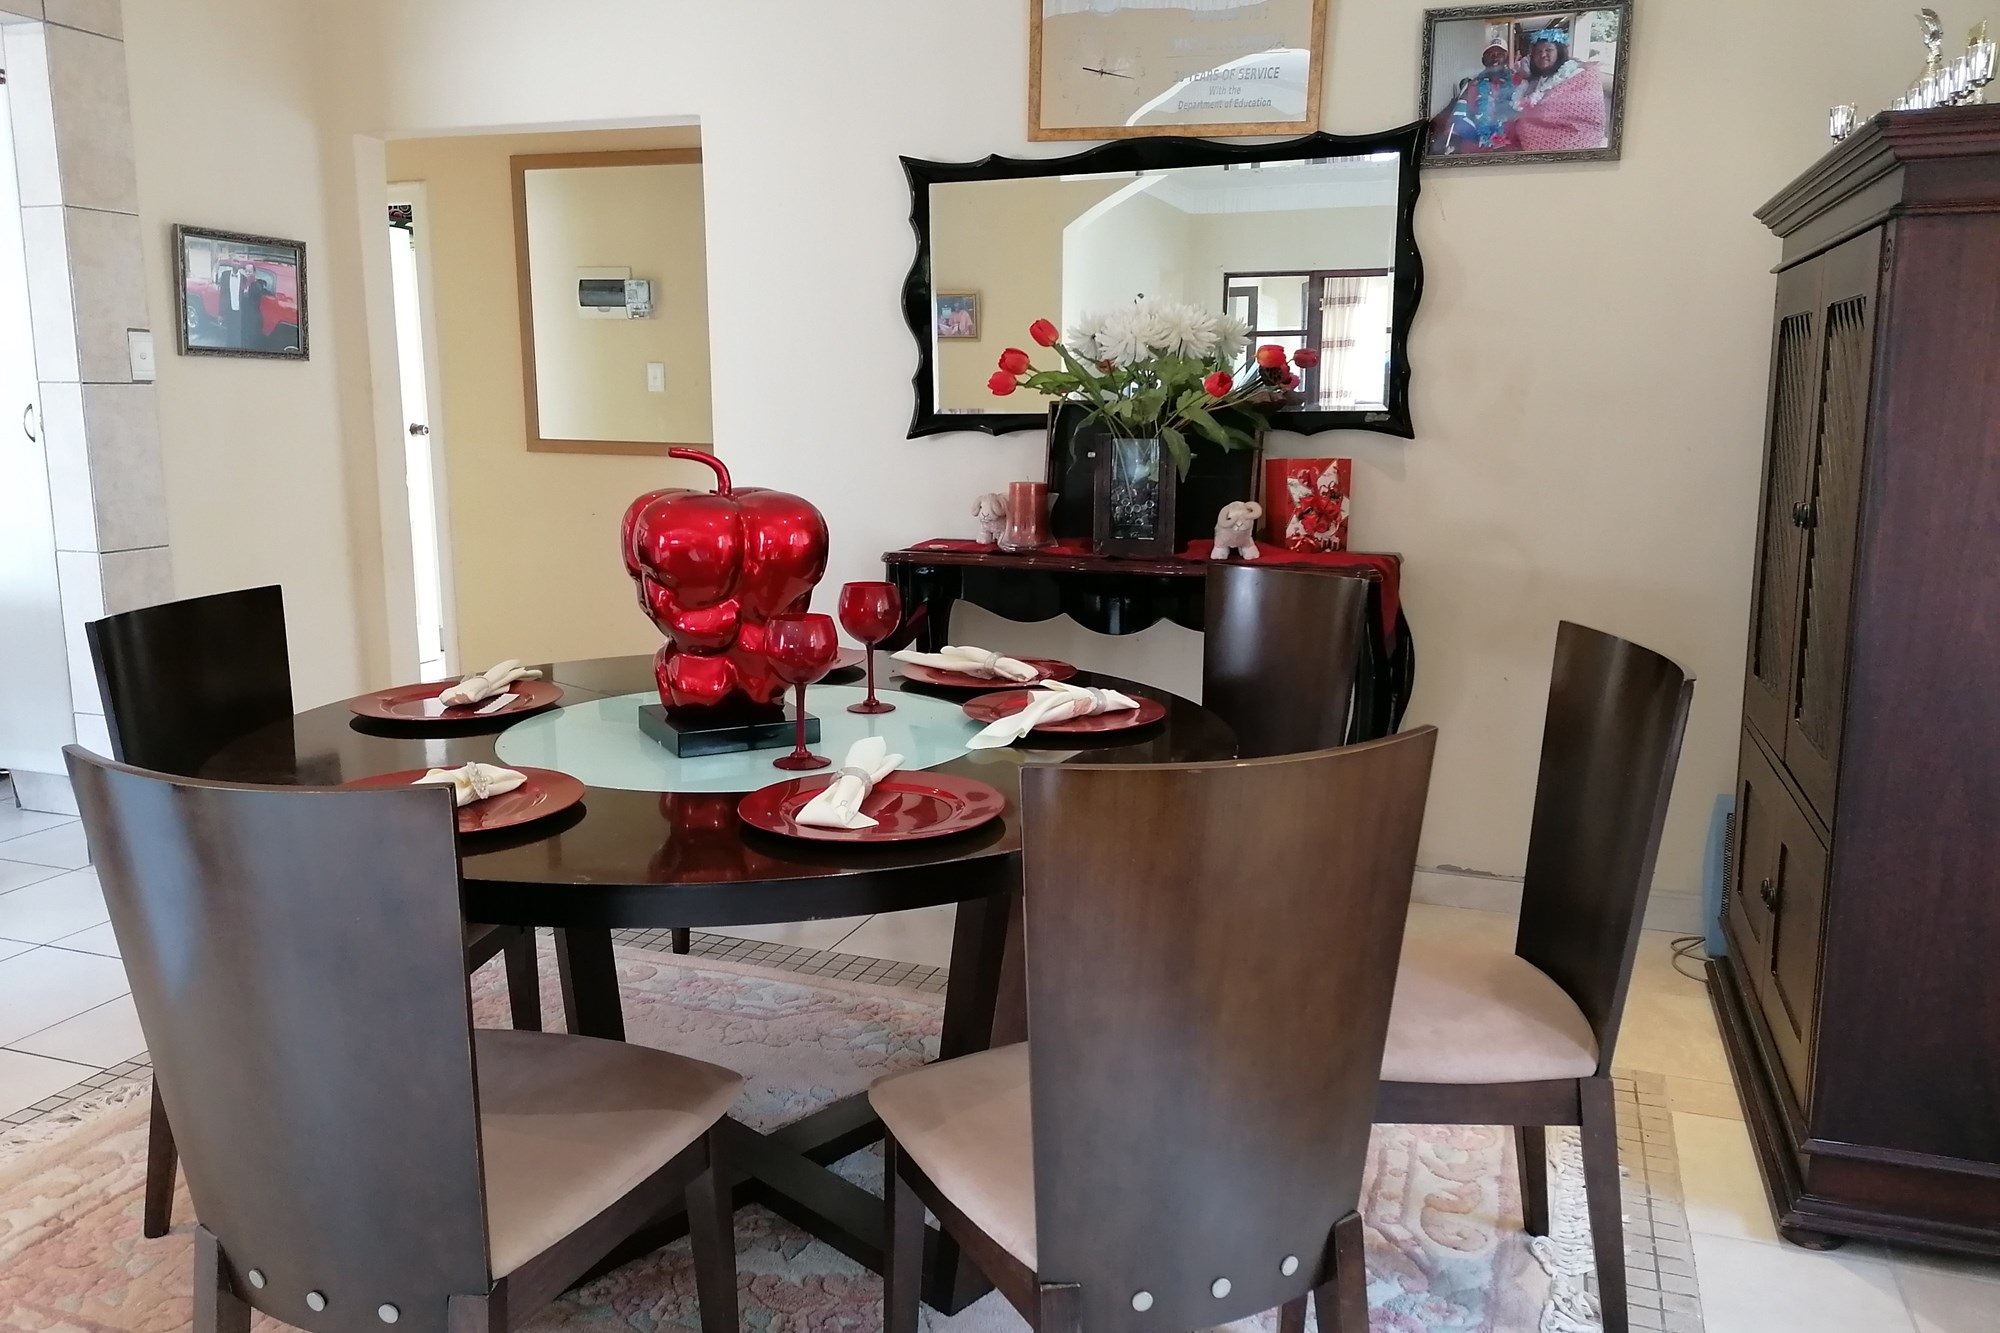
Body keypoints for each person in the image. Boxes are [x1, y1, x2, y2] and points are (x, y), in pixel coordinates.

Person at [1501, 25, 1607, 152]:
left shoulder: (1575, 74)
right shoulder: (1535, 80)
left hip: (1572, 142)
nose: (1542, 55)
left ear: (1559, 52)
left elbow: (1581, 116)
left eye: (1548, 50)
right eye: (1538, 52)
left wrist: (1528, 118)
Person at [1429, 43, 1522, 156]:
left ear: (1506, 58)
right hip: (1477, 149)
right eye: (1490, 54)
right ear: (1483, 60)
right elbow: (1459, 117)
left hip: (1510, 148)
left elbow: (1524, 113)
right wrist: (1452, 139)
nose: (1495, 57)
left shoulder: (1518, 82)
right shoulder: (1473, 85)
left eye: (1499, 54)